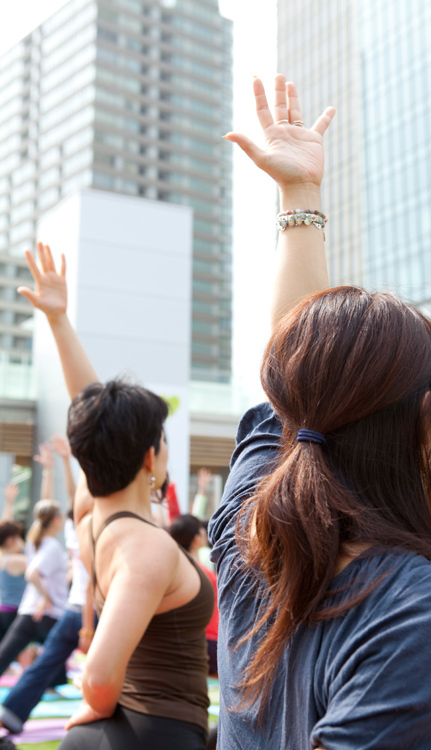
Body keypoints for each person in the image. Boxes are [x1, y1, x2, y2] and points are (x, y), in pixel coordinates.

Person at [208, 75, 431, 749]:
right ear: (427, 420)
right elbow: (297, 384)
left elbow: (296, 387)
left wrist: (299, 195)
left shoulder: (252, 551)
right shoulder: (424, 611)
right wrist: (299, 193)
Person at [17, 242, 214, 750]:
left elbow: (93, 413)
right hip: (150, 736)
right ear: (150, 457)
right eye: (163, 438)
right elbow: (100, 677)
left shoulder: (92, 512)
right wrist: (94, 706)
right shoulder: (146, 547)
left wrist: (59, 320)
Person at [0, 437, 94, 735]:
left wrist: (64, 464)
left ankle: (13, 712)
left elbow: (56, 502)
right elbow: (63, 499)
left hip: (65, 610)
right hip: (83, 610)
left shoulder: (54, 536)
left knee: (44, 662)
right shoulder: (69, 537)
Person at [0, 497, 67, 678]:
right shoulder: (48, 545)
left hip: (26, 609)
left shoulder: (32, 544)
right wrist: (46, 597)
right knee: (57, 651)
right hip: (44, 610)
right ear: (55, 520)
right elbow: (32, 573)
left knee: (8, 654)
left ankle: (53, 681)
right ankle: (53, 681)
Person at [169, 514, 219, 676]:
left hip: (191, 640)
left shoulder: (175, 571)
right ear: (196, 539)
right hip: (210, 641)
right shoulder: (203, 573)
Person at [0, 514, 26, 640]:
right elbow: (41, 564)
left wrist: (9, 502)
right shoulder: (15, 561)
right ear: (10, 540)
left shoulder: (3, 558)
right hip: (15, 613)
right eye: (19, 537)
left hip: (4, 610)